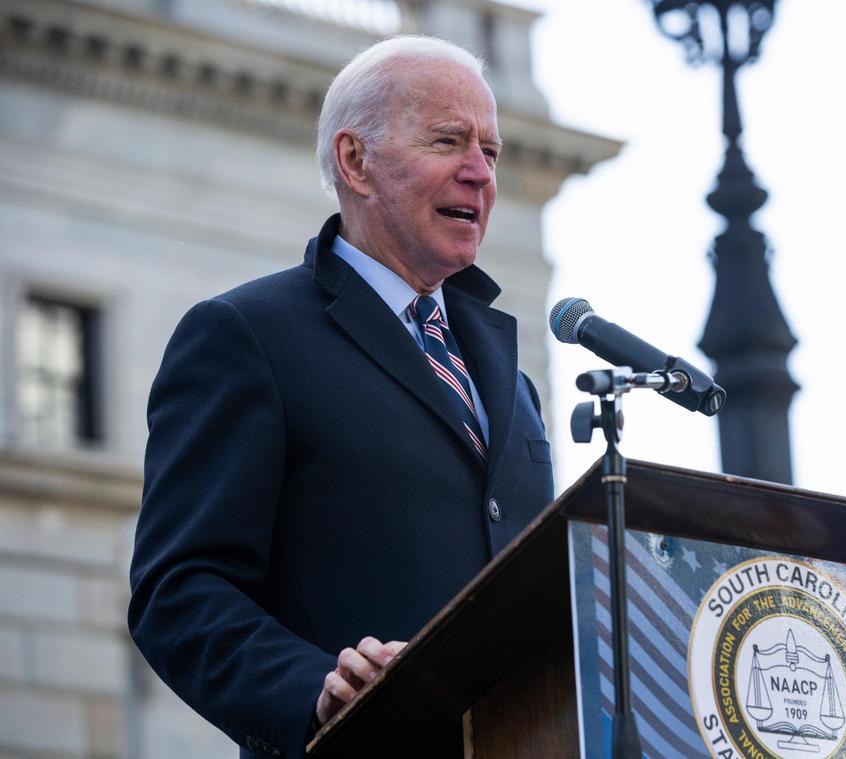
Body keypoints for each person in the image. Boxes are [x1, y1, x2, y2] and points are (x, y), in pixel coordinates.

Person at [128, 36, 555, 758]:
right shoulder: (246, 336)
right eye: (449, 140)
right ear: (356, 161)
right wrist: (314, 687)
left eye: (492, 150)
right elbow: (180, 591)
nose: (480, 173)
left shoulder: (511, 379)